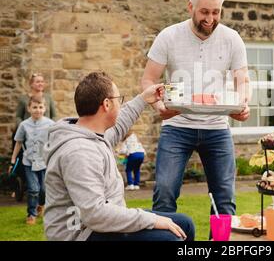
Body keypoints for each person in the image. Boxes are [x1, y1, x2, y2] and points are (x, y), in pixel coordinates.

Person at [141, 0, 251, 217]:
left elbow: (242, 80)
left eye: (216, 12)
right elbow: (148, 80)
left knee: (224, 197)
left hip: (217, 127)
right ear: (190, 6)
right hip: (177, 126)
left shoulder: (232, 39)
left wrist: (243, 103)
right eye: (204, 12)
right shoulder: (169, 36)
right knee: (165, 192)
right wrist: (159, 106)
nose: (210, 19)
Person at [43, 72, 195, 241]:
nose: (120, 105)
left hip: (100, 224)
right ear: (107, 104)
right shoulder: (78, 152)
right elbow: (95, 214)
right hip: (82, 234)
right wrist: (153, 220)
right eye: (118, 100)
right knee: (169, 238)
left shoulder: (94, 134)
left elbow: (120, 123)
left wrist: (144, 98)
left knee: (185, 225)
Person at [9, 96, 54, 225]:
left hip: (44, 162)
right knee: (33, 189)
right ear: (29, 108)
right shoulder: (24, 125)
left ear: (45, 108)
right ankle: (31, 214)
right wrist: (13, 160)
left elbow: (56, 141)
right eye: (34, 107)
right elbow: (18, 143)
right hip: (28, 162)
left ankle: (41, 204)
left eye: (40, 107)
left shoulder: (50, 124)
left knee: (44, 190)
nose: (37, 110)